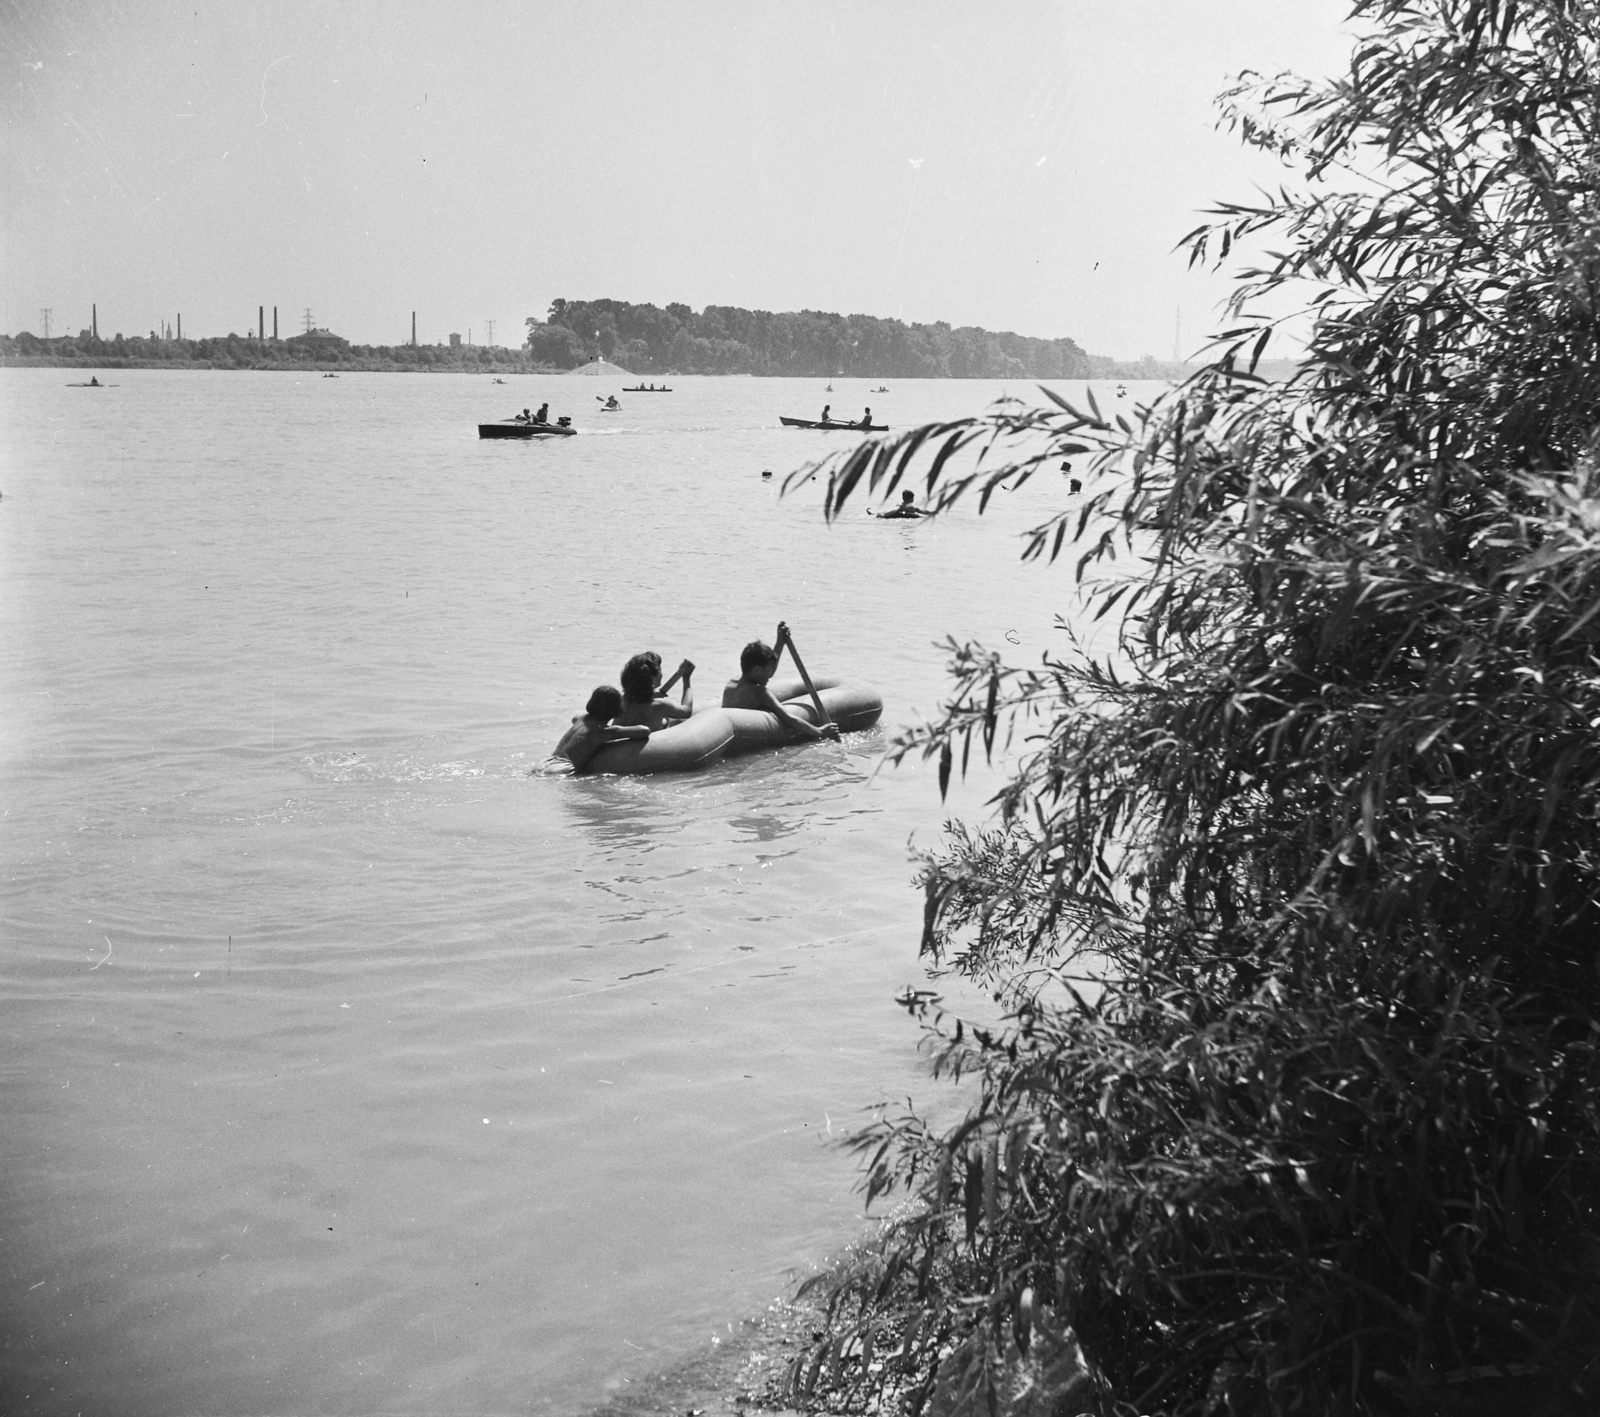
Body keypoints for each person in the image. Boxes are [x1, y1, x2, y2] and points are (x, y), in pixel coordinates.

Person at [722, 640, 840, 742]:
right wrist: (820, 731)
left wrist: (780, 643)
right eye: (768, 671)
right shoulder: (760, 693)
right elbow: (790, 719)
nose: (770, 675)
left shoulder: (731, 684)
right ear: (757, 670)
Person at [551, 685, 651, 771]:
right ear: (617, 709)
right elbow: (644, 730)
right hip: (563, 768)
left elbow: (574, 718)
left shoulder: (580, 719)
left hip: (548, 762)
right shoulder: (604, 731)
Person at [614, 651, 696, 730]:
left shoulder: (622, 700)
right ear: (652, 678)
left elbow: (638, 703)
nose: (661, 673)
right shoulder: (660, 706)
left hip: (623, 739)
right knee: (675, 721)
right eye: (660, 670)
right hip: (648, 740)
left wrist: (651, 694)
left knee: (665, 721)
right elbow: (687, 711)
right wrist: (686, 679)